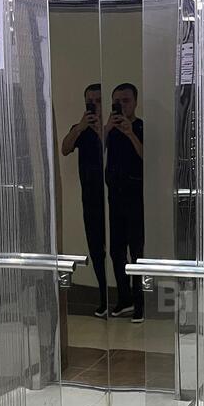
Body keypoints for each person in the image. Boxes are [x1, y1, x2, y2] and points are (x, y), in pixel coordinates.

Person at [61, 83, 108, 317]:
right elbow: (65, 148)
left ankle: (128, 298)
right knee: (96, 248)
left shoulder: (113, 127)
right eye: (90, 101)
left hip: (115, 196)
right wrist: (80, 127)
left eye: (98, 101)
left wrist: (101, 130)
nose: (94, 105)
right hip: (90, 197)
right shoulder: (80, 129)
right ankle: (104, 297)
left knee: (120, 250)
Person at [104, 81, 144, 322]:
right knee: (116, 252)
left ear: (135, 102)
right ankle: (124, 299)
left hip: (136, 198)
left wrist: (130, 133)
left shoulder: (140, 127)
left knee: (137, 252)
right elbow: (96, 152)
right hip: (114, 197)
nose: (122, 105)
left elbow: (147, 157)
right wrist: (108, 128)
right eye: (117, 102)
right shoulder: (109, 130)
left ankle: (140, 303)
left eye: (126, 101)